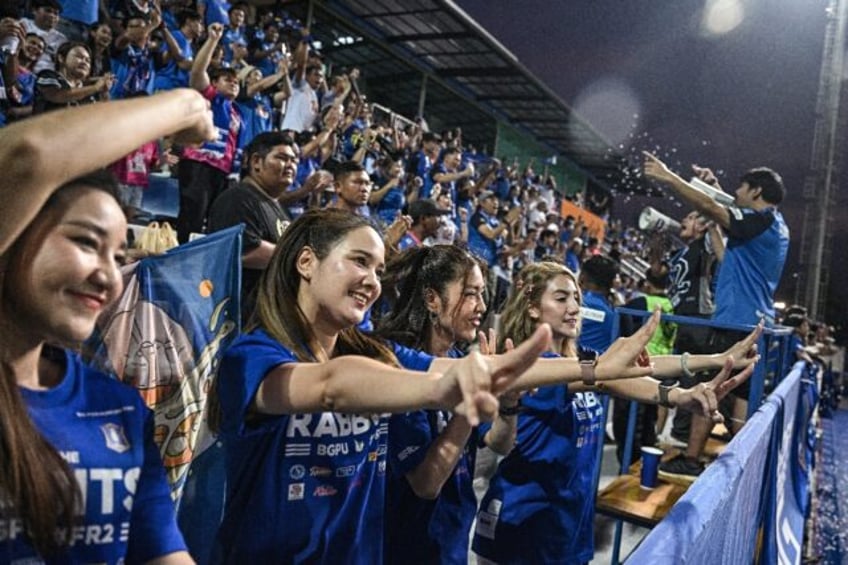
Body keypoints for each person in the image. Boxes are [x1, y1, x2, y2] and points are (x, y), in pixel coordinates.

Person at [210, 208, 553, 564]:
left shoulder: (377, 350)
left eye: (379, 270)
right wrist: (442, 389)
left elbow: (472, 367)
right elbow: (331, 385)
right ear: (307, 262)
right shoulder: (250, 357)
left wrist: (596, 369)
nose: (373, 281)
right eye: (360, 261)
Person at [0, 89, 215, 562]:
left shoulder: (117, 406)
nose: (108, 276)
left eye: (119, 257)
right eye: (85, 241)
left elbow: (161, 551)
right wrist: (187, 105)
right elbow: (27, 156)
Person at [373, 246, 668, 565]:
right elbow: (427, 484)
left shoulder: (461, 359)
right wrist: (598, 370)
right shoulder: (398, 364)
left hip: (451, 541)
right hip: (402, 547)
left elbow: (498, 443)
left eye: (483, 294)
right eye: (471, 294)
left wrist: (509, 405)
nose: (482, 306)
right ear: (432, 299)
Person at [471, 261, 761, 564]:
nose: (573, 308)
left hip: (566, 527)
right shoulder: (531, 367)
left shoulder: (580, 362)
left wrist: (710, 367)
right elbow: (608, 375)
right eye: (561, 298)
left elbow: (639, 371)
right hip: (522, 527)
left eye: (576, 299)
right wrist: (684, 384)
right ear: (532, 308)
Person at [644, 153, 790, 480]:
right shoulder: (772, 227)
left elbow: (717, 210)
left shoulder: (760, 220)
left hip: (734, 321)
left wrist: (669, 177)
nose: (736, 192)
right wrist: (713, 190)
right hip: (752, 319)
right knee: (739, 393)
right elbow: (729, 254)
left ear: (756, 192)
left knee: (710, 387)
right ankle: (742, 463)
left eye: (741, 188)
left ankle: (692, 459)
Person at [178, 22, 242, 242]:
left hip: (222, 172)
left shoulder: (237, 112)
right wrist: (213, 40)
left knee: (213, 224)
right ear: (214, 83)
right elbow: (197, 71)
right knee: (192, 219)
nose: (234, 85)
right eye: (228, 80)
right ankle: (178, 261)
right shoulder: (211, 98)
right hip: (199, 166)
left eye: (237, 83)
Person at [33, 41, 114, 114]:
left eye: (88, 60)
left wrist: (104, 93)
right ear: (61, 58)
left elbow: (100, 116)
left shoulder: (87, 95)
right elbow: (56, 95)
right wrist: (95, 87)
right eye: (79, 56)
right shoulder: (47, 76)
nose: (84, 62)